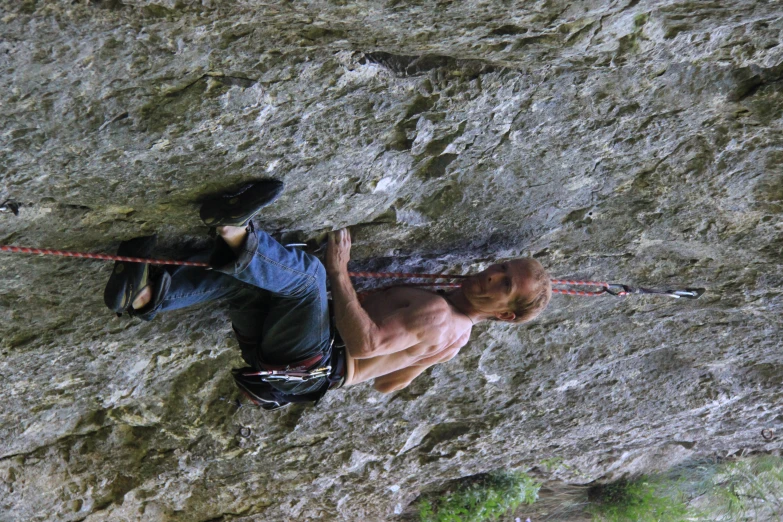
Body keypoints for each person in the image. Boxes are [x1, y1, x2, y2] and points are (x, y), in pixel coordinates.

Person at [103, 180, 552, 408]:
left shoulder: (438, 314)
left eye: (505, 285)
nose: (491, 277)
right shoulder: (454, 341)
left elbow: (365, 345)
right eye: (501, 268)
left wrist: (337, 272)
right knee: (257, 282)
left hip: (317, 357)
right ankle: (145, 296)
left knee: (308, 279)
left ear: (508, 315)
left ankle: (231, 226)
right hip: (303, 369)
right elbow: (387, 383)